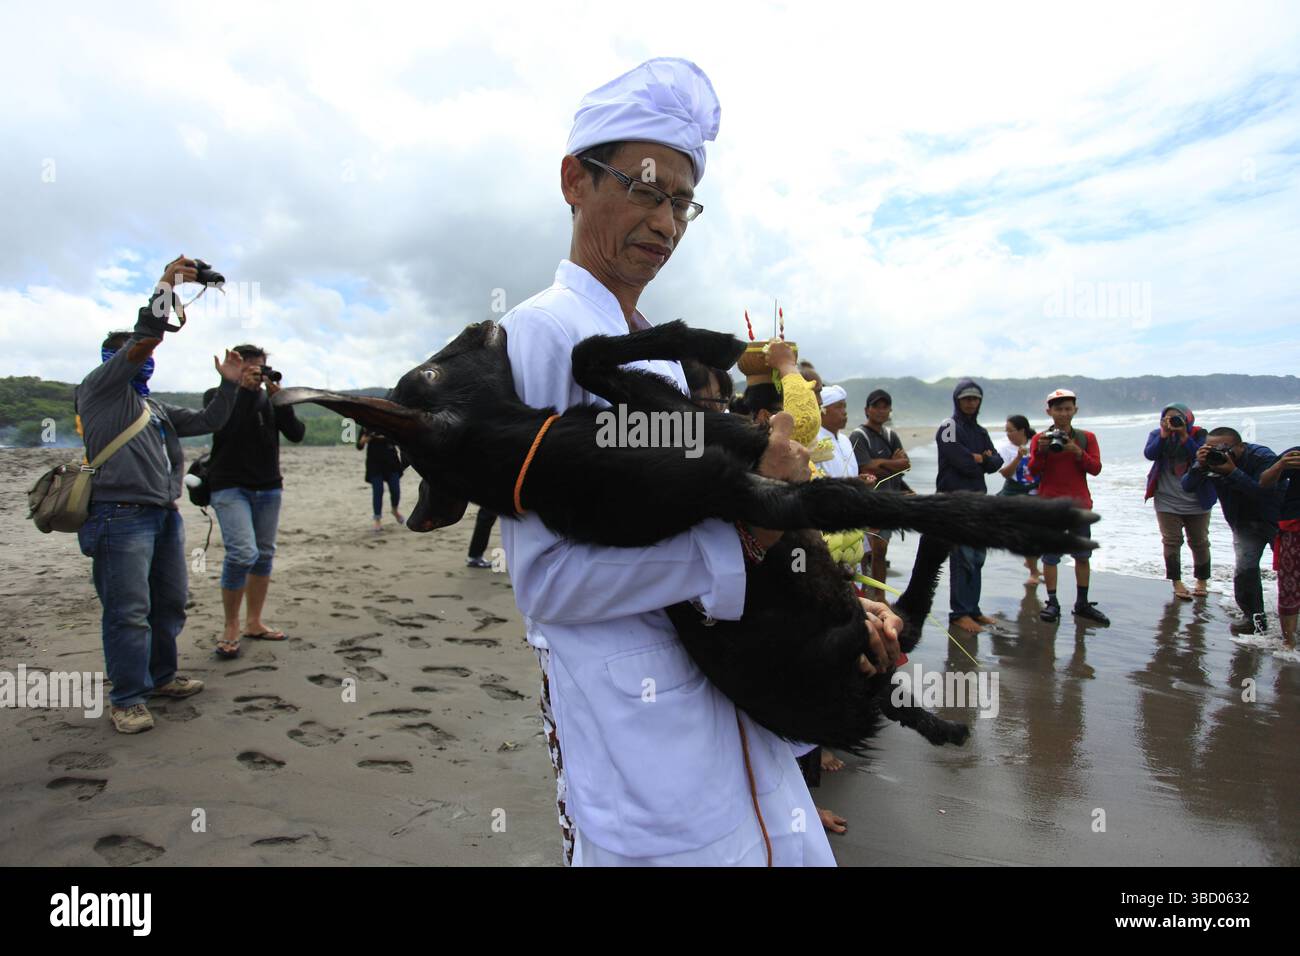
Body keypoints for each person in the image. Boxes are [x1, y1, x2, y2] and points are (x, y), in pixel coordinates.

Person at [496, 58, 901, 866]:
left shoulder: (664, 362)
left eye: (683, 202)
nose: (667, 223)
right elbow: (544, 581)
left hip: (728, 685)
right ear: (575, 180)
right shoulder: (542, 337)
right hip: (631, 717)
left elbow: (709, 520)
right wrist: (744, 540)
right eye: (646, 190)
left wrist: (833, 602)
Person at [75, 255, 245, 733]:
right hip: (117, 516)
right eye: (136, 356)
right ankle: (127, 698)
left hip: (163, 516)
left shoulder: (154, 406)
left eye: (147, 359)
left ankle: (162, 676)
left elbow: (210, 421)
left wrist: (227, 387)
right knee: (128, 611)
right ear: (116, 360)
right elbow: (146, 336)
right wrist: (166, 285)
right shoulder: (100, 390)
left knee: (168, 603)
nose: (146, 361)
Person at [203, 345, 306, 659]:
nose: (255, 373)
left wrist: (281, 401)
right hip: (229, 486)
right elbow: (223, 429)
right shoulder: (216, 396)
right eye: (248, 367)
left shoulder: (269, 400)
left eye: (259, 368)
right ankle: (231, 625)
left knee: (263, 554)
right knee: (242, 552)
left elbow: (297, 434)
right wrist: (243, 391)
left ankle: (254, 622)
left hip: (268, 487)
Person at [1183, 427, 1282, 634]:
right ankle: (1254, 620)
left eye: (1224, 448)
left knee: (1290, 570)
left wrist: (1232, 472)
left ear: (1241, 446)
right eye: (1210, 448)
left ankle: (1291, 621)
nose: (1219, 452)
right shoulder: (1209, 460)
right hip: (1243, 523)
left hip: (1277, 521)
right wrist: (1198, 465)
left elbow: (1264, 492)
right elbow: (1188, 486)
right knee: (1245, 571)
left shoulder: (1263, 457)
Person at [1028, 389, 1108, 625]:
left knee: (1082, 556)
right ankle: (1052, 602)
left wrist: (1076, 451)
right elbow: (1032, 472)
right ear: (1049, 412)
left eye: (1067, 408)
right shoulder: (1039, 439)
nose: (1063, 413)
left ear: (1075, 410)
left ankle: (1081, 603)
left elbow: (1095, 468)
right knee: (1051, 557)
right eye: (1058, 409)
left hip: (1080, 505)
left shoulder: (1086, 438)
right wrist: (1041, 452)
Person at [935, 379, 1003, 633]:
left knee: (977, 557)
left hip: (978, 500)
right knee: (961, 556)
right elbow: (960, 461)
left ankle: (973, 609)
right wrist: (980, 458)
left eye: (975, 398)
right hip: (955, 502)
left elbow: (997, 462)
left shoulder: (981, 432)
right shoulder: (948, 427)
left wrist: (982, 459)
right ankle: (959, 613)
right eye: (966, 398)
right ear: (957, 400)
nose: (971, 403)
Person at [1143, 404, 1214, 601]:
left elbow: (1202, 458)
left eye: (1177, 418)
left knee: (1199, 541)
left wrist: (1184, 436)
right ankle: (1176, 581)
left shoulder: (1200, 435)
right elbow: (1150, 454)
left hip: (1197, 499)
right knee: (1171, 541)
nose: (1171, 422)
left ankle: (1202, 580)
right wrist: (1164, 435)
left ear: (1188, 418)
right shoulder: (1157, 434)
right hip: (1166, 498)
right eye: (1167, 418)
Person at [850, 389, 911, 601]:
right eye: (876, 406)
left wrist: (882, 464)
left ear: (890, 410)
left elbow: (905, 466)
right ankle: (868, 595)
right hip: (869, 503)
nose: (881, 410)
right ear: (867, 409)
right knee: (870, 551)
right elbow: (865, 467)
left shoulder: (890, 435)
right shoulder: (859, 436)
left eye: (885, 406)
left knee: (881, 552)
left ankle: (879, 596)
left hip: (890, 502)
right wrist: (891, 464)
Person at [1261, 447, 1300, 646]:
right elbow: (1264, 482)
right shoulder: (1295, 455)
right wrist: (1280, 465)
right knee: (1289, 585)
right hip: (1294, 528)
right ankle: (1289, 642)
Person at [997, 414, 1041, 586]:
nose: (1008, 434)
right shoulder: (1004, 448)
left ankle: (1031, 560)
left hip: (1037, 490)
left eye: (1011, 430)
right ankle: (1033, 571)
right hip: (1014, 490)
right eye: (1006, 431)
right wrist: (1018, 457)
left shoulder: (1036, 443)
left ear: (1022, 430)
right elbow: (1005, 473)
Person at [356, 426, 405, 533]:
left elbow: (399, 441)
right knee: (378, 491)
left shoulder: (387, 423)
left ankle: (395, 510)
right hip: (375, 464)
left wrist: (385, 436)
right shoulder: (366, 427)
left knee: (395, 490)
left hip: (391, 462)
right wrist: (364, 440)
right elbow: (359, 446)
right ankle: (377, 520)